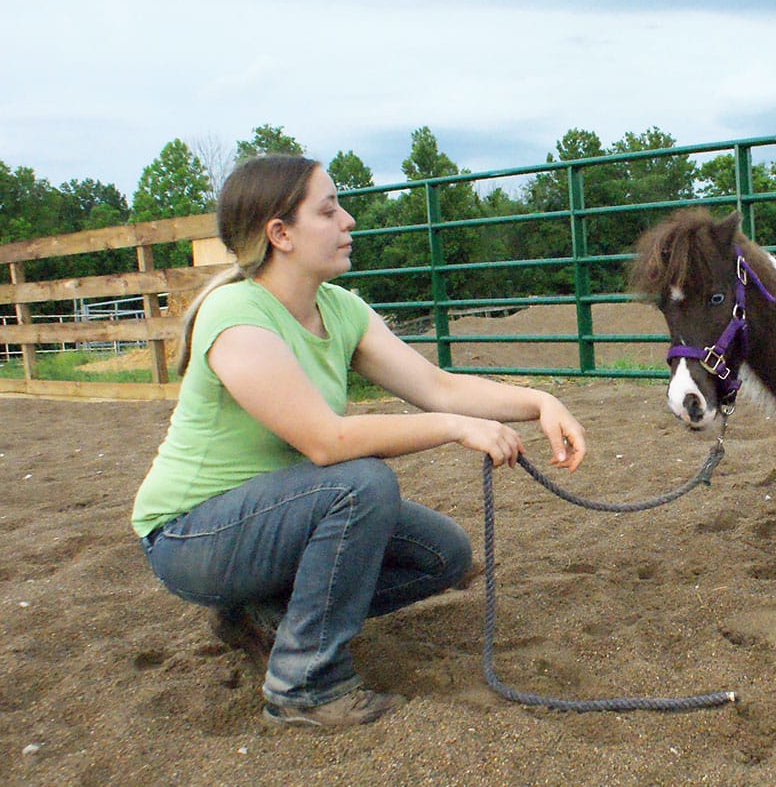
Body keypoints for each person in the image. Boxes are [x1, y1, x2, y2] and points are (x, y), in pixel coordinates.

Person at [132, 155, 586, 728]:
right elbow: (327, 442)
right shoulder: (236, 315)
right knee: (360, 484)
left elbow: (437, 386)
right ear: (281, 234)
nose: (348, 221)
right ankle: (305, 685)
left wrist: (538, 402)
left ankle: (267, 616)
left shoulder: (340, 310)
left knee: (443, 555)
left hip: (274, 516)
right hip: (190, 537)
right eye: (329, 210)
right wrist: (454, 429)